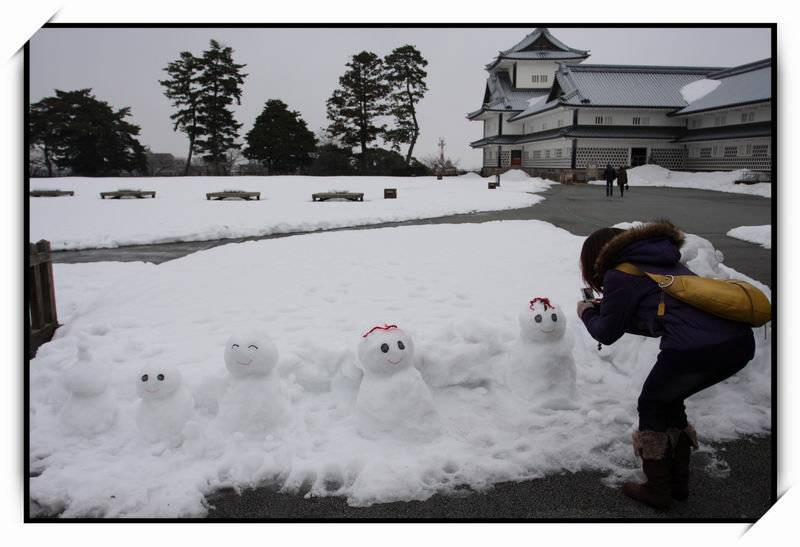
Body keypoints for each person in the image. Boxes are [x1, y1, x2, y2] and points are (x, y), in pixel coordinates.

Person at [575, 221, 755, 510]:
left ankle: (658, 489)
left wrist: (586, 312)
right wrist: (611, 311)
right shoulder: (660, 263)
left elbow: (606, 334)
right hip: (737, 343)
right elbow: (668, 316)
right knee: (669, 401)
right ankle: (677, 484)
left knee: (651, 405)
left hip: (695, 349)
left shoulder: (620, 274)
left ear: (597, 257)